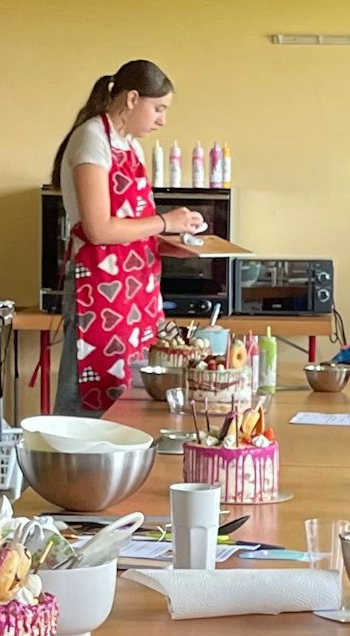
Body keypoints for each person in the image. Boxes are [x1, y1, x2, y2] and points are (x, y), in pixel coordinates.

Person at [51, 61, 203, 415]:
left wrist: (171, 244)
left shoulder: (129, 146)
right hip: (98, 290)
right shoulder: (92, 138)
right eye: (159, 108)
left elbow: (132, 227)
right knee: (87, 395)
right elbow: (99, 229)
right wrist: (164, 222)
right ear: (133, 99)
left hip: (133, 293)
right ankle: (72, 467)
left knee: (125, 393)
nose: (162, 120)